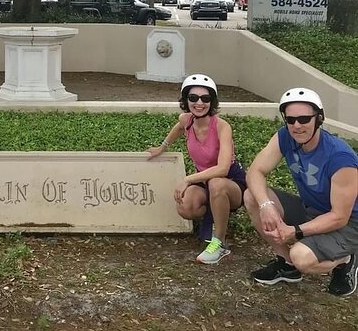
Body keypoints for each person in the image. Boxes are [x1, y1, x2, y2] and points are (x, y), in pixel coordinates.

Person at [245, 88, 358, 296]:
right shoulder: (285, 138)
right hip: (312, 210)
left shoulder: (341, 157)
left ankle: (347, 258)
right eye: (291, 120)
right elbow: (255, 172)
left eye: (304, 119)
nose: (297, 126)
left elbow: (340, 217)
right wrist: (266, 206)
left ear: (319, 118)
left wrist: (296, 231)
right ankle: (287, 266)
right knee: (252, 196)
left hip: (349, 223)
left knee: (302, 257)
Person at [148, 74, 246, 264]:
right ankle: (217, 212)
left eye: (205, 98)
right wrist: (163, 147)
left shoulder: (222, 127)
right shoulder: (187, 120)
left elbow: (223, 168)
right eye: (193, 98)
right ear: (186, 100)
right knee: (186, 206)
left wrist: (188, 179)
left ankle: (220, 243)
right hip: (205, 179)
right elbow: (177, 129)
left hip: (231, 181)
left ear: (212, 101)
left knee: (217, 184)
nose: (199, 103)